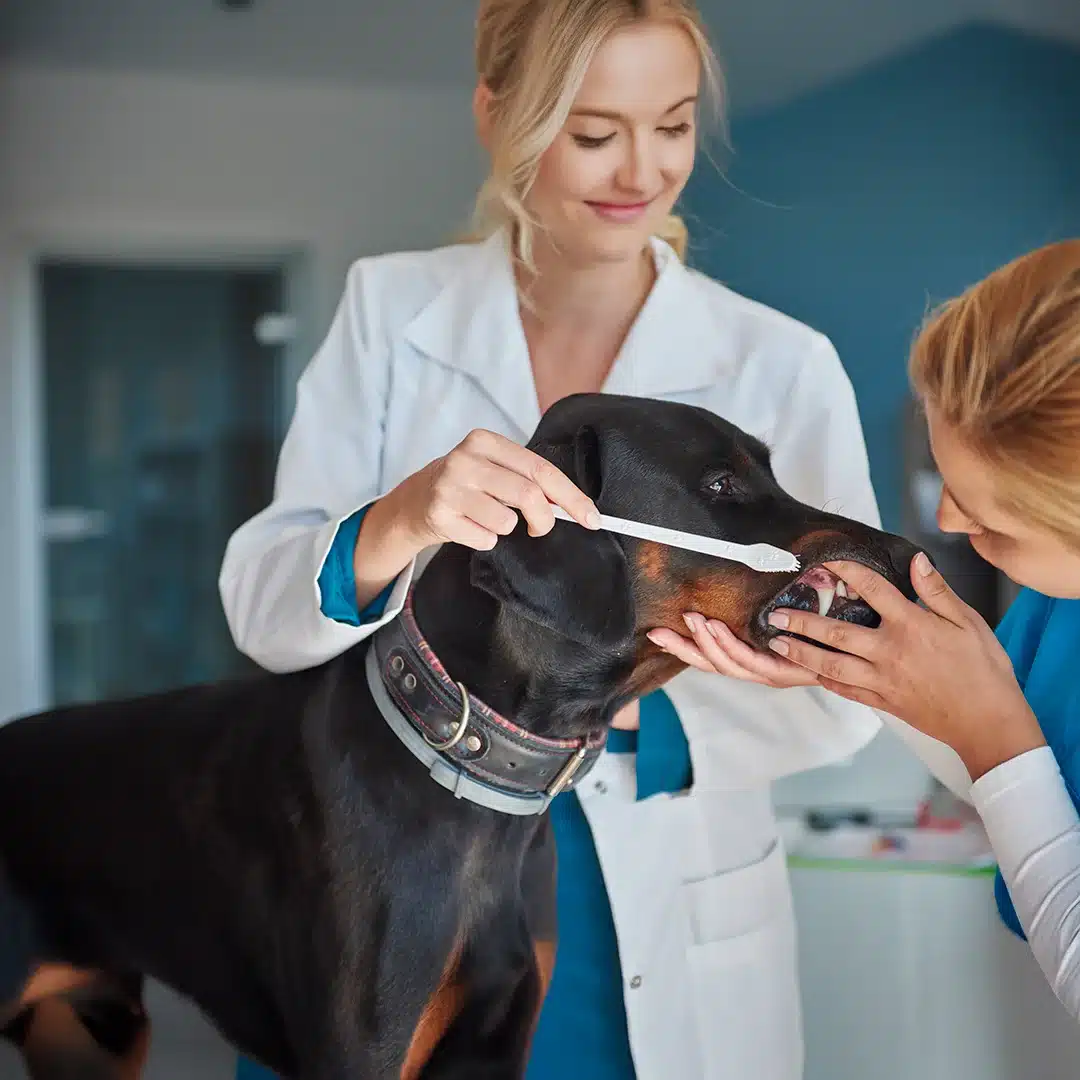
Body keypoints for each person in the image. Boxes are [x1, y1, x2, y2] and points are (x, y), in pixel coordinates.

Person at [220, 2, 890, 1076]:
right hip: (397, 879)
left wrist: (622, 727)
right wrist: (403, 516)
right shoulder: (392, 315)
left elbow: (859, 673)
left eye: (672, 125)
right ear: (498, 117)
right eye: (592, 131)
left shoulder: (779, 362)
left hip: (652, 898)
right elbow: (265, 608)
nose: (642, 169)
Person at [662, 238, 1080, 1024]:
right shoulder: (1063, 605)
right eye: (945, 479)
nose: (948, 520)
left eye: (992, 519)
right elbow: (1031, 793)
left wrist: (995, 733)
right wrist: (867, 672)